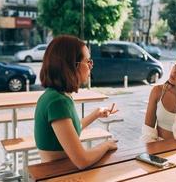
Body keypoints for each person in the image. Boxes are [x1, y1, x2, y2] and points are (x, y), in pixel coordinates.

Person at [34, 35, 118, 169]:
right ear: (72, 65)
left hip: (61, 170)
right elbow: (82, 161)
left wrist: (96, 114)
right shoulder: (57, 102)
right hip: (57, 175)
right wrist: (105, 145)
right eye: (88, 61)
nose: (91, 66)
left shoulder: (58, 95)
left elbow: (73, 128)